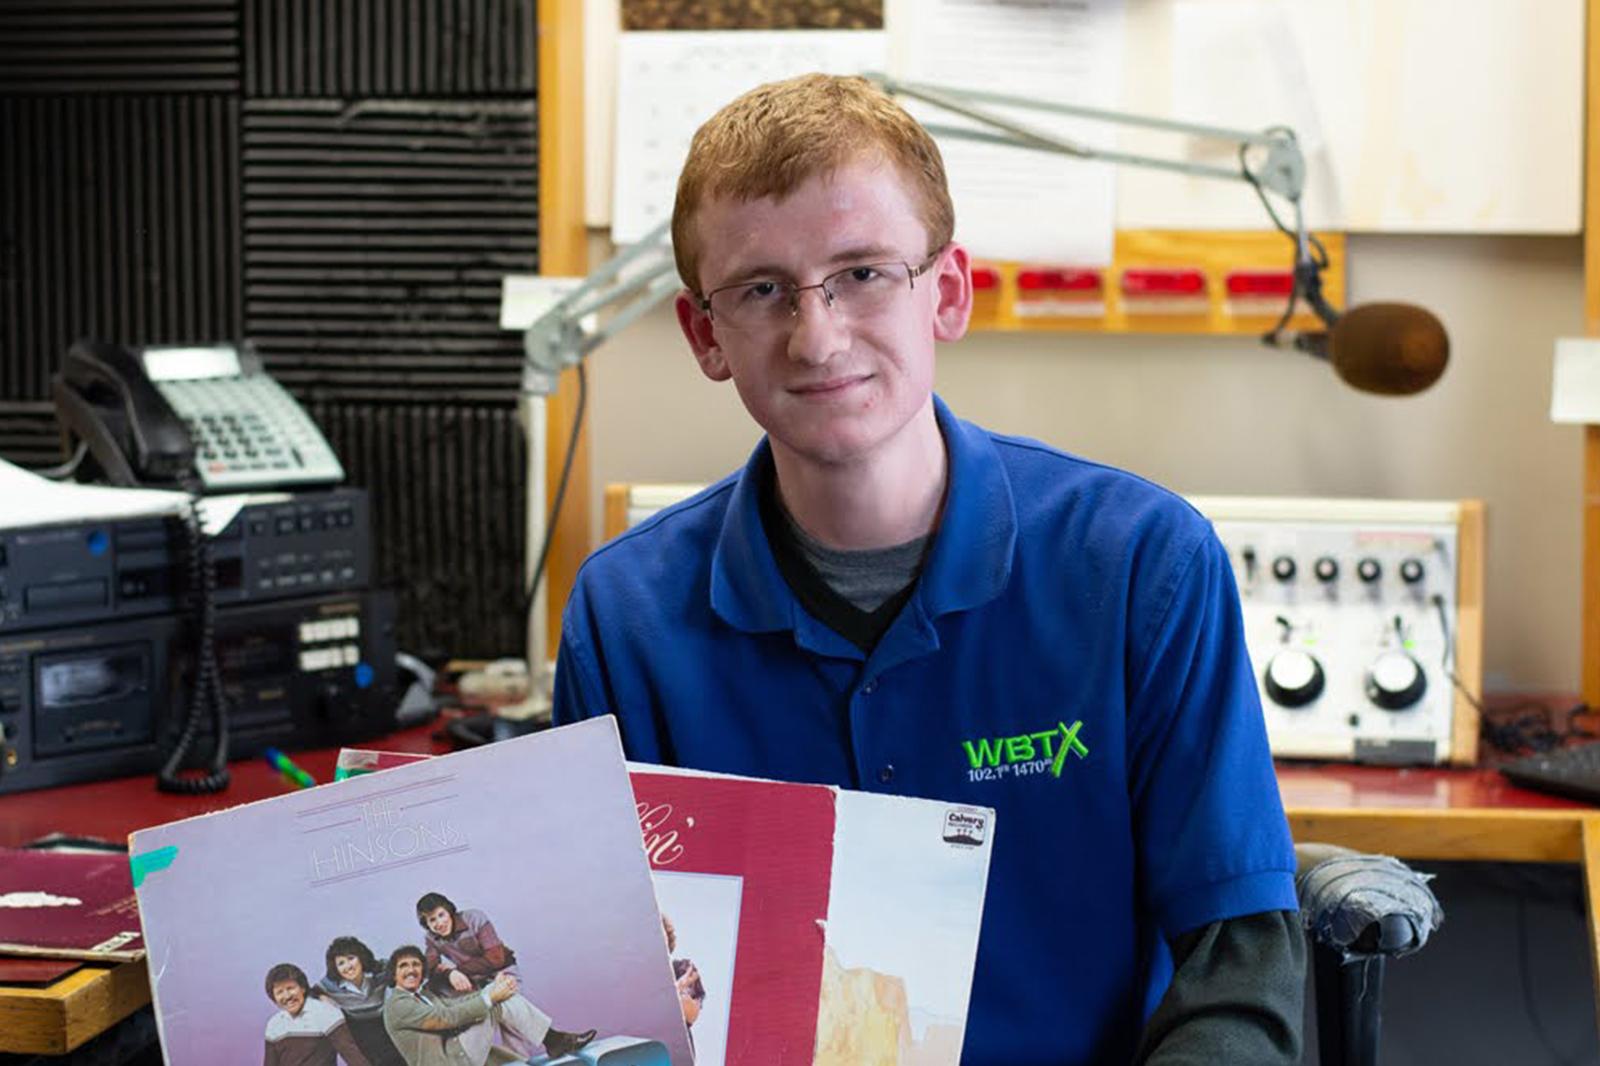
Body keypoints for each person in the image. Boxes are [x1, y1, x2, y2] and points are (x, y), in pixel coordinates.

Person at [553, 73, 1304, 1064]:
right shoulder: (625, 617)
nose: (817, 336)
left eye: (862, 272)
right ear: (706, 336)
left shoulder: (1142, 566)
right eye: (762, 290)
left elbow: (1236, 964)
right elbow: (613, 991)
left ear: (945, 294)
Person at [414, 892, 595, 1059]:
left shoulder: (474, 918)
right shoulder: (432, 938)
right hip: (476, 982)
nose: (439, 923)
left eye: (441, 915)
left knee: (512, 1021)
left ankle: (537, 1051)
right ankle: (554, 1041)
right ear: (426, 924)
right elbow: (429, 969)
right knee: (505, 1011)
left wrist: (457, 970)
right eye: (432, 920)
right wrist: (449, 973)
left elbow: (496, 958)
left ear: (449, 911)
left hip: (502, 971)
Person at [380, 945, 518, 1066]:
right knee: (494, 1005)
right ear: (394, 975)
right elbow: (445, 1018)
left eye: (416, 964)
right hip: (451, 1061)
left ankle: (533, 1044)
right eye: (403, 965)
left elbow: (457, 1004)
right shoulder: (397, 1005)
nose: (411, 970)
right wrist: (490, 997)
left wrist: (492, 988)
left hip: (457, 1053)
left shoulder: (425, 996)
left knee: (502, 999)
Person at [312, 936, 406, 1066]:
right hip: (358, 1034)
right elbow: (309, 993)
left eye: (351, 958)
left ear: (361, 958)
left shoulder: (378, 972)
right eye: (341, 963)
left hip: (384, 1027)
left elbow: (401, 965)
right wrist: (321, 997)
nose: (348, 966)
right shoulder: (332, 984)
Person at [262, 961, 373, 1066]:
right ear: (274, 998)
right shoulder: (274, 1024)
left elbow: (353, 1056)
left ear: (303, 988)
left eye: (290, 988)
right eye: (279, 992)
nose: (287, 996)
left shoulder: (326, 1012)